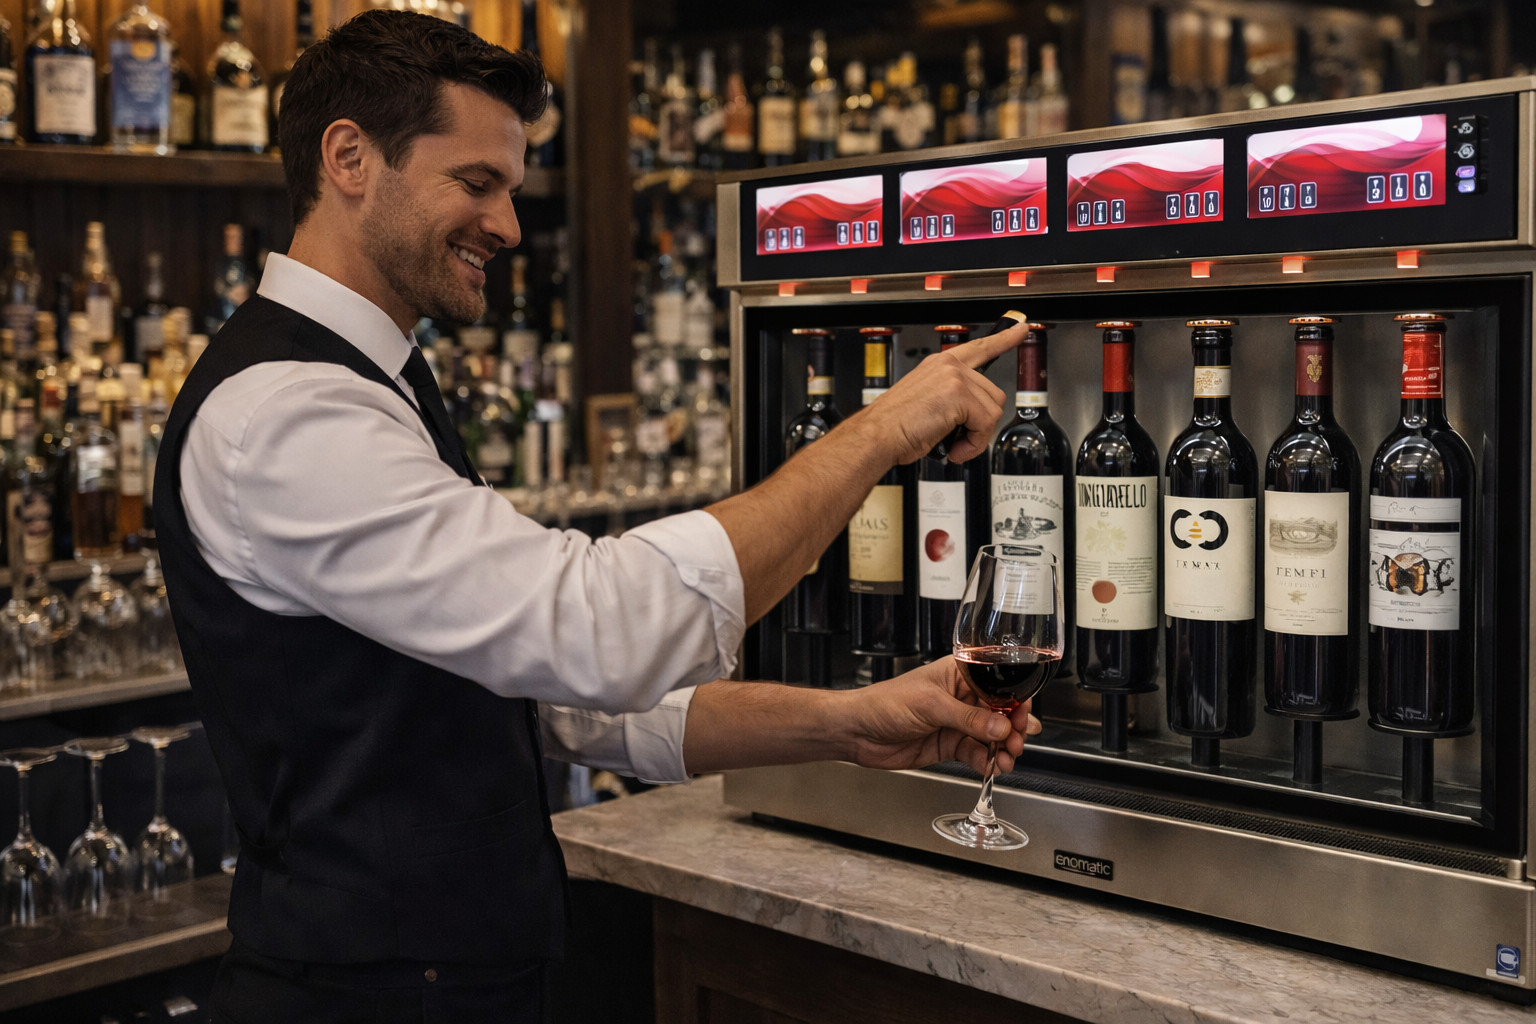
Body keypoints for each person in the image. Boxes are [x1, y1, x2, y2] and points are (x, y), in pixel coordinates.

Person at [156, 11, 1036, 1021]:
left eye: (512, 190)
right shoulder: (287, 413)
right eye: (476, 183)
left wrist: (847, 724)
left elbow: (548, 701)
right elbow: (601, 631)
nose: (509, 226)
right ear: (349, 157)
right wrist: (882, 432)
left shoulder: (369, 383)